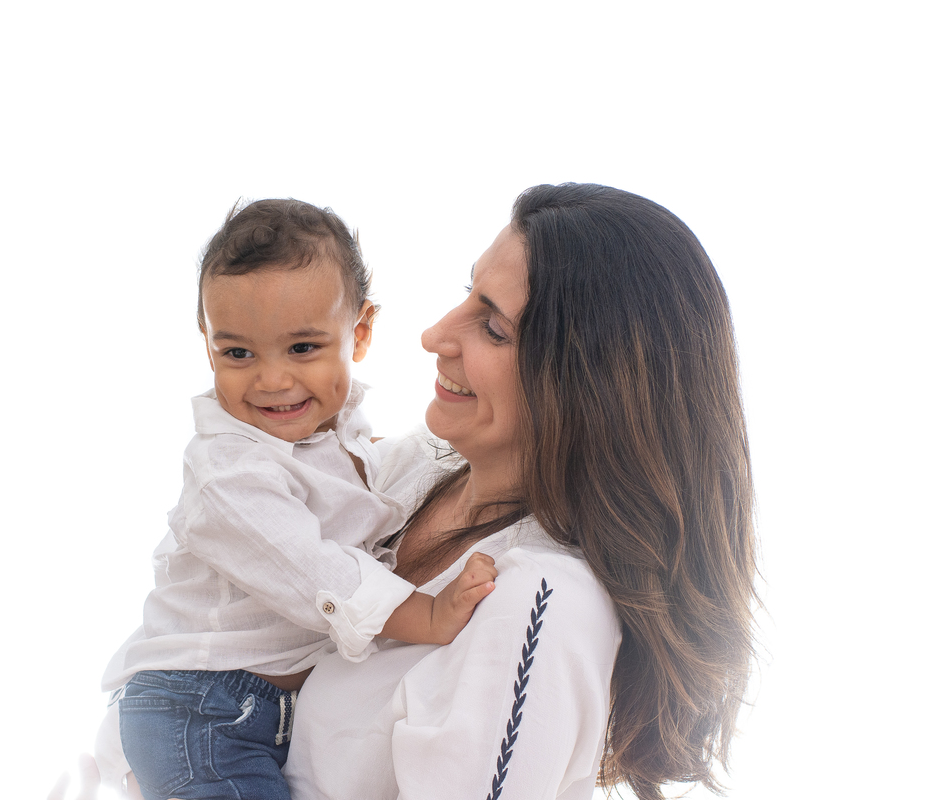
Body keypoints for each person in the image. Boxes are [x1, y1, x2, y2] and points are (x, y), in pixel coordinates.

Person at [79, 183, 757, 800]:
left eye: (491, 327)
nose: (435, 334)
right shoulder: (400, 480)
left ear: (586, 386)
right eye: (467, 294)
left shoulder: (538, 600)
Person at [97, 199, 499, 800]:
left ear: (359, 333)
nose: (272, 380)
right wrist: (428, 615)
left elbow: (361, 482)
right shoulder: (228, 476)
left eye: (303, 349)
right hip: (200, 711)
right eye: (238, 353)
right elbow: (315, 571)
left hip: (256, 711)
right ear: (207, 342)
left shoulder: (331, 428)